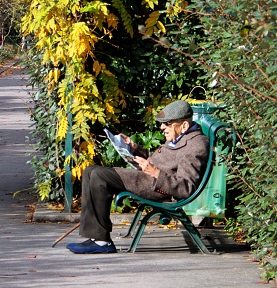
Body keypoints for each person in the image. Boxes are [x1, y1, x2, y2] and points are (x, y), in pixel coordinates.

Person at [66, 100, 210, 253]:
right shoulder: (180, 135)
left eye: (167, 123)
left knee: (99, 175)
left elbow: (186, 187)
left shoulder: (196, 145)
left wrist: (155, 173)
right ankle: (95, 237)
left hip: (159, 188)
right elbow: (158, 160)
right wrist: (134, 149)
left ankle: (102, 242)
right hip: (147, 179)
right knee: (90, 170)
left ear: (184, 126)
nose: (162, 127)